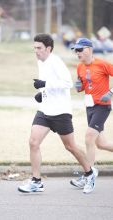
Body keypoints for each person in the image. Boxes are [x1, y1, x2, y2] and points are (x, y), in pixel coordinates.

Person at [18, 33, 96, 194]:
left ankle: (90, 173)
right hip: (45, 110)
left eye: (39, 48)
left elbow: (67, 83)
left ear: (49, 48)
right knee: (33, 142)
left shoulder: (56, 62)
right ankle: (36, 182)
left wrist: (45, 84)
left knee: (70, 146)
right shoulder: (41, 61)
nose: (36, 51)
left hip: (60, 112)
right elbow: (48, 84)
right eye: (35, 48)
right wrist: (43, 93)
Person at [70, 37, 113, 189]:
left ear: (88, 49)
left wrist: (111, 92)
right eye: (75, 50)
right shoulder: (79, 67)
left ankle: (89, 175)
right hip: (89, 107)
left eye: (80, 49)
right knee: (101, 144)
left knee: (89, 138)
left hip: (103, 107)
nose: (77, 52)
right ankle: (88, 175)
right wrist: (78, 87)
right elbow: (83, 87)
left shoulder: (102, 64)